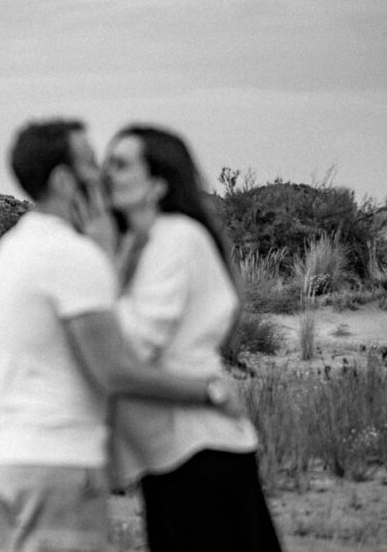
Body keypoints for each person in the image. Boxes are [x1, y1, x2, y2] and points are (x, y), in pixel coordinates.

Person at [0, 119, 243, 552]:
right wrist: (208, 392)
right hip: (60, 464)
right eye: (90, 163)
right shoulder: (73, 256)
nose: (100, 174)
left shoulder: (7, 252)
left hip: (5, 460)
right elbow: (114, 370)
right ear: (64, 180)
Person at [104, 124, 282, 551]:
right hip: (166, 454)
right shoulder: (137, 244)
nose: (106, 173)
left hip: (199, 448)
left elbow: (136, 344)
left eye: (121, 164)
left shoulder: (176, 238)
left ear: (158, 184)